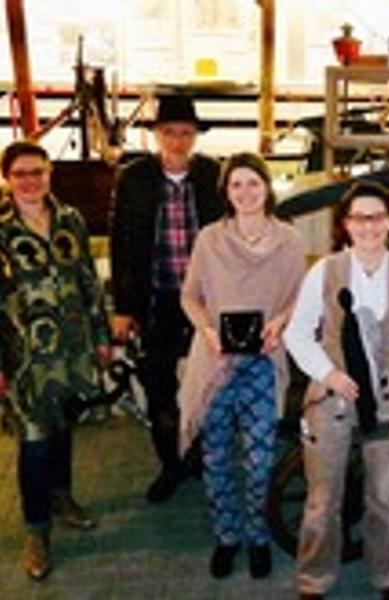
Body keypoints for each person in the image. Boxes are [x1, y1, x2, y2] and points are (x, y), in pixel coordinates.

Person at [283, 180, 389, 600]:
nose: (368, 226)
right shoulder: (325, 271)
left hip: (387, 400)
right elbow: (297, 333)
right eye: (359, 218)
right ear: (346, 225)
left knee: (386, 497)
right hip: (332, 397)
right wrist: (327, 373)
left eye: (377, 217)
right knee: (322, 499)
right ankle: (314, 580)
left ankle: (387, 576)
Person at [177, 152, 305, 579]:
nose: (246, 192)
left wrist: (280, 321)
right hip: (215, 362)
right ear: (226, 192)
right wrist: (207, 331)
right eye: (236, 184)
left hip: (263, 363)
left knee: (259, 458)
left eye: (253, 183)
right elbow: (189, 296)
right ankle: (227, 536)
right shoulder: (209, 239)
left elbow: (299, 296)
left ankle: (258, 535)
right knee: (215, 457)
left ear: (267, 187)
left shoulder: (289, 240)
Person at [0, 141, 111, 580]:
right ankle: (36, 532)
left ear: (50, 174)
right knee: (34, 440)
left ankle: (63, 498)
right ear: (8, 179)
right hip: (23, 354)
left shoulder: (71, 219)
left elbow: (88, 281)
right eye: (21, 174)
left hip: (73, 347)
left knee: (63, 424)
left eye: (38, 172)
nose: (30, 181)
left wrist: (101, 337)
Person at [110, 94, 224, 503]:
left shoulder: (213, 175)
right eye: (170, 132)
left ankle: (201, 456)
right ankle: (170, 464)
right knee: (159, 385)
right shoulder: (134, 178)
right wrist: (123, 307)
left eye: (185, 133)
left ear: (195, 136)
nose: (177, 141)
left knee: (209, 381)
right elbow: (122, 242)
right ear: (157, 135)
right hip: (157, 297)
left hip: (206, 301)